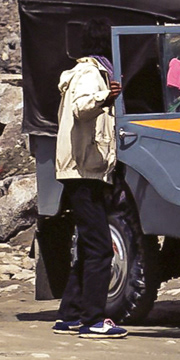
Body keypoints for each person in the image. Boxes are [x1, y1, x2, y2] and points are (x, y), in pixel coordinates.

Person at [51, 49, 128, 340]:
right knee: (101, 248)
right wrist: (105, 97)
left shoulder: (92, 72)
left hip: (86, 172)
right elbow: (82, 108)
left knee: (88, 246)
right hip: (82, 172)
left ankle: (69, 315)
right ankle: (93, 320)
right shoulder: (89, 74)